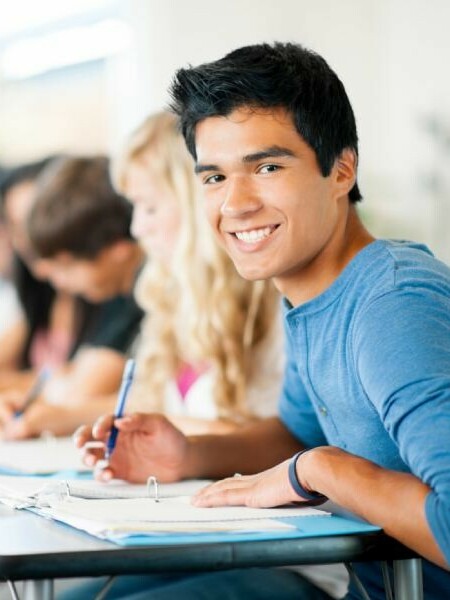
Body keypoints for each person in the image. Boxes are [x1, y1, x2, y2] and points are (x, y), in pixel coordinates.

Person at [76, 42, 450, 599]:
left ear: (341, 168)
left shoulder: (390, 307)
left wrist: (318, 469)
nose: (236, 203)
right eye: (214, 178)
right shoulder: (311, 292)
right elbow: (293, 434)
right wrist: (188, 454)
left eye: (267, 167)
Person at [113, 110, 283, 434]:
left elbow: (293, 442)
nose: (137, 228)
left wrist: (159, 431)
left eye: (149, 207)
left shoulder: (274, 305)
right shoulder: (174, 300)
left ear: (194, 204)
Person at [0, 157, 144, 439]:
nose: (53, 275)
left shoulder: (122, 295)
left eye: (65, 266)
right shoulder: (36, 294)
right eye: (16, 226)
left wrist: (53, 411)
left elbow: (82, 391)